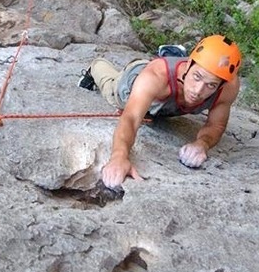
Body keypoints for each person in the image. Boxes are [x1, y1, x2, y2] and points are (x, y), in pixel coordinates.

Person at [78, 35, 242, 188]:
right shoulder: (156, 76)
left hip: (169, 99)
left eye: (211, 85)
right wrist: (119, 157)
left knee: (161, 110)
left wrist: (202, 143)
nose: (198, 90)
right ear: (189, 64)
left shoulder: (228, 88)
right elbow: (131, 118)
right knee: (112, 89)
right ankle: (96, 66)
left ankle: (171, 57)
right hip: (136, 81)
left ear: (221, 84)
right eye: (197, 77)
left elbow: (216, 125)